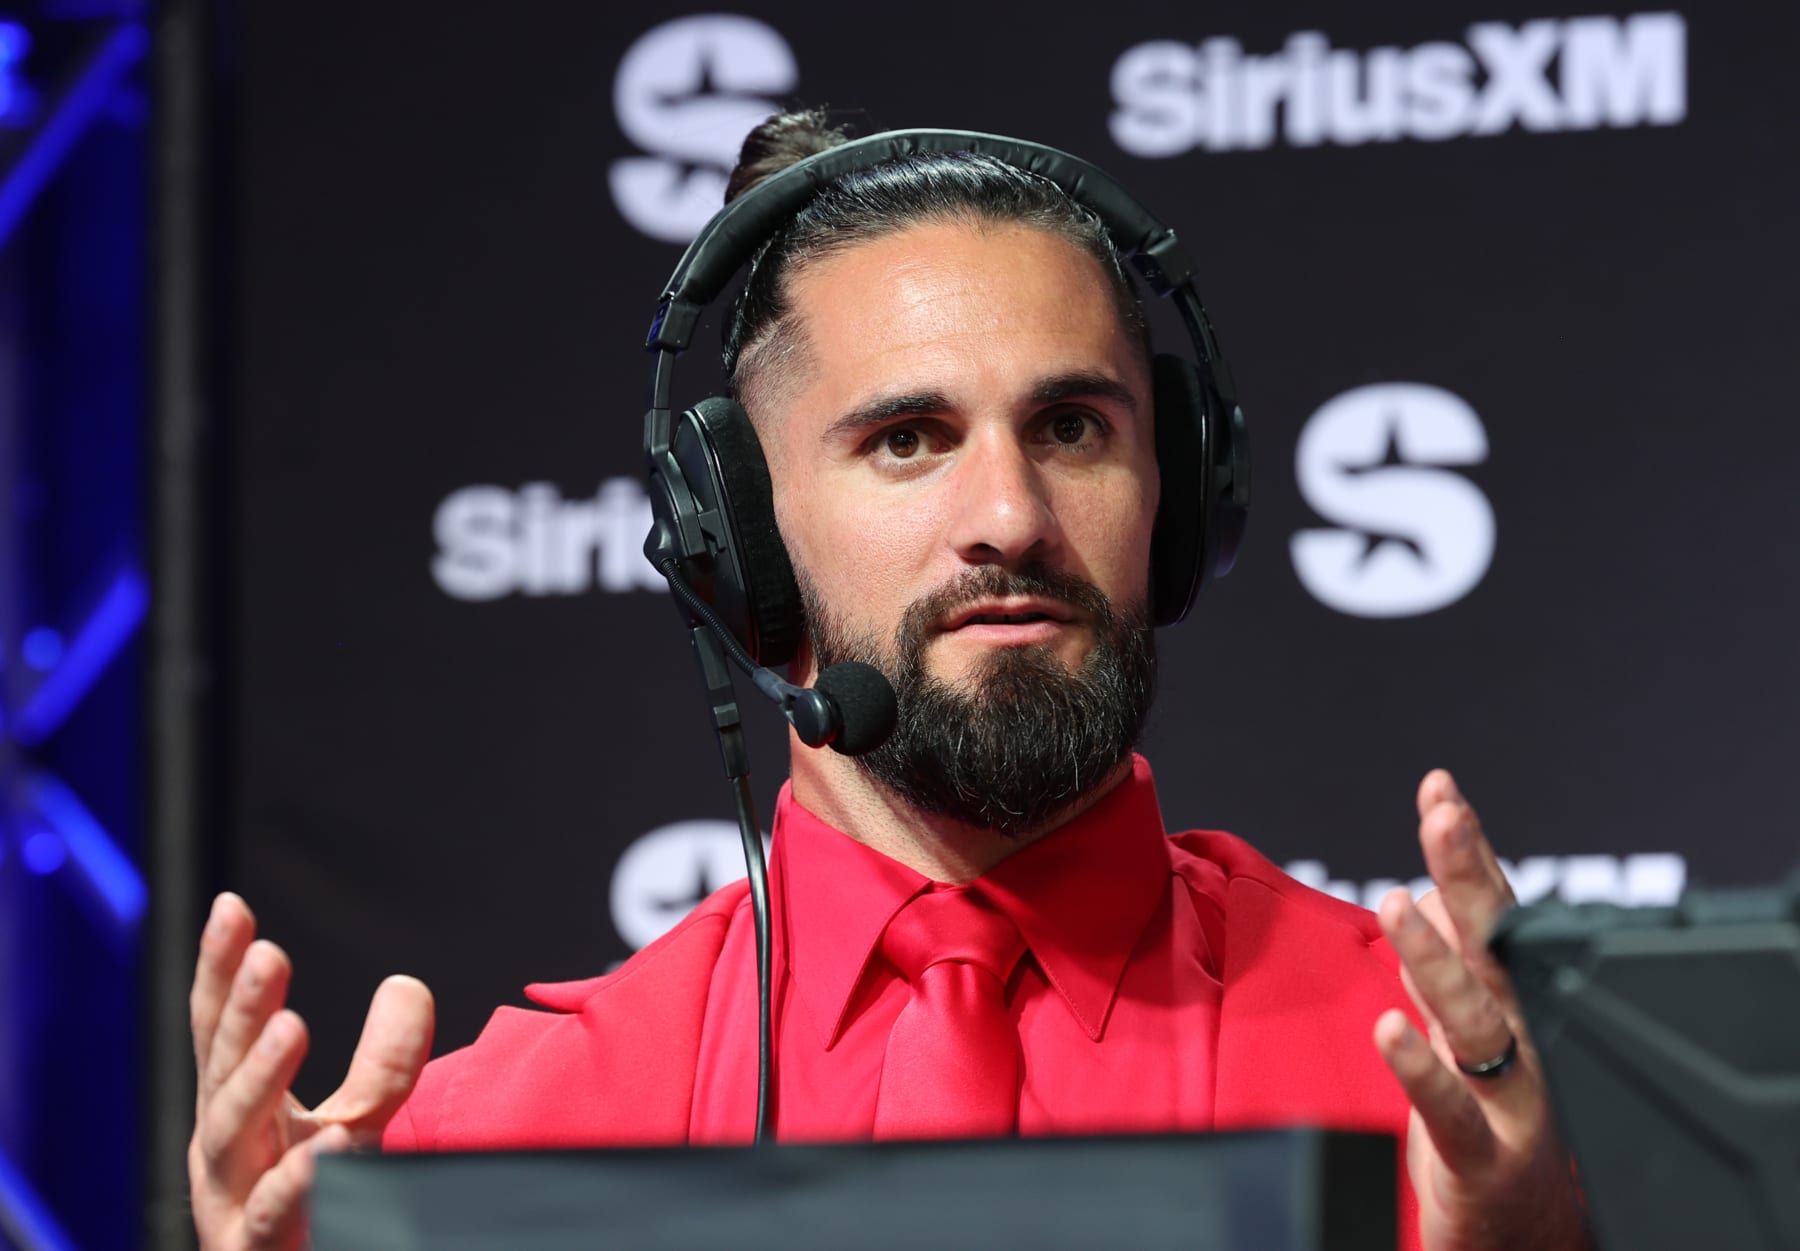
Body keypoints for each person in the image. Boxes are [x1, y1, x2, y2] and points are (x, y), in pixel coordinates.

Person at [186, 112, 1591, 1251]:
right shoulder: (478, 1156)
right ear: (737, 536)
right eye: (909, 438)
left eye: (1073, 426)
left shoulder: (1461, 1086)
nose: (1012, 514)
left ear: (1177, 496)